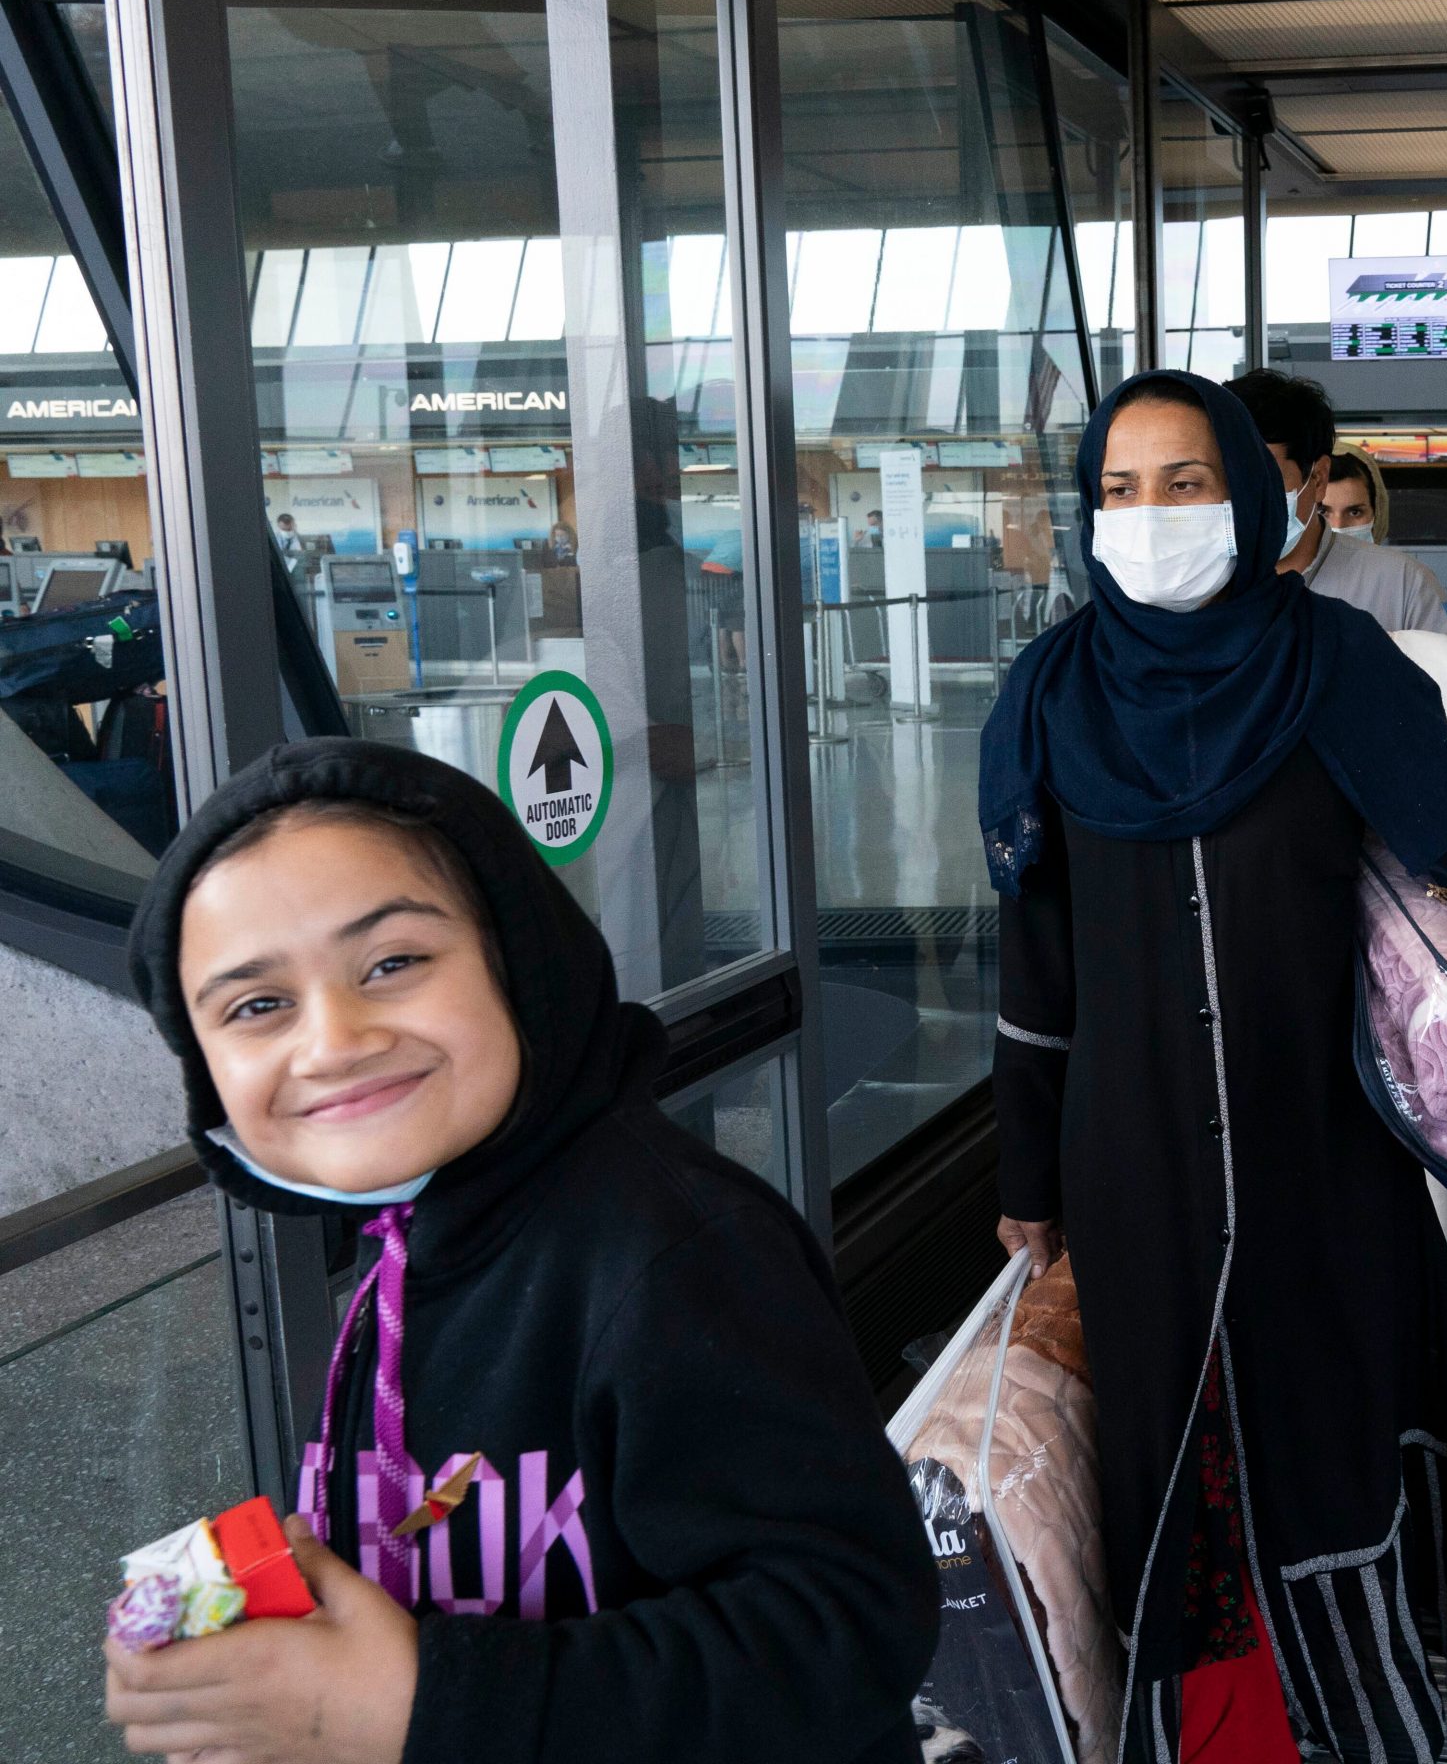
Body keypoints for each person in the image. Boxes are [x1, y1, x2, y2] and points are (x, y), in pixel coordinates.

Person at [980, 370, 1447, 1762]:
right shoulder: (1050, 695)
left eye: (1182, 483)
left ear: (1247, 493)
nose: (1149, 515)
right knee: (1182, 1466)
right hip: (1137, 1170)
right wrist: (1026, 1175)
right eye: (1118, 491)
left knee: (1327, 1437)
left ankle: (1355, 1723)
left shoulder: (1331, 662)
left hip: (1325, 1151)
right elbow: (1036, 971)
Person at [109, 740, 938, 1764]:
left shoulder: (671, 1254)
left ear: (517, 956)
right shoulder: (410, 1230)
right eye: (257, 1005)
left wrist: (423, 1706)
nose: (333, 1041)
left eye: (394, 962)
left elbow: (847, 1631)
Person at [1226, 366, 1447, 638]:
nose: (1239, 497)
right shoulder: (1192, 587)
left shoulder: (1402, 586)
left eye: (1260, 477)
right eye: (1223, 479)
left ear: (1317, 478)